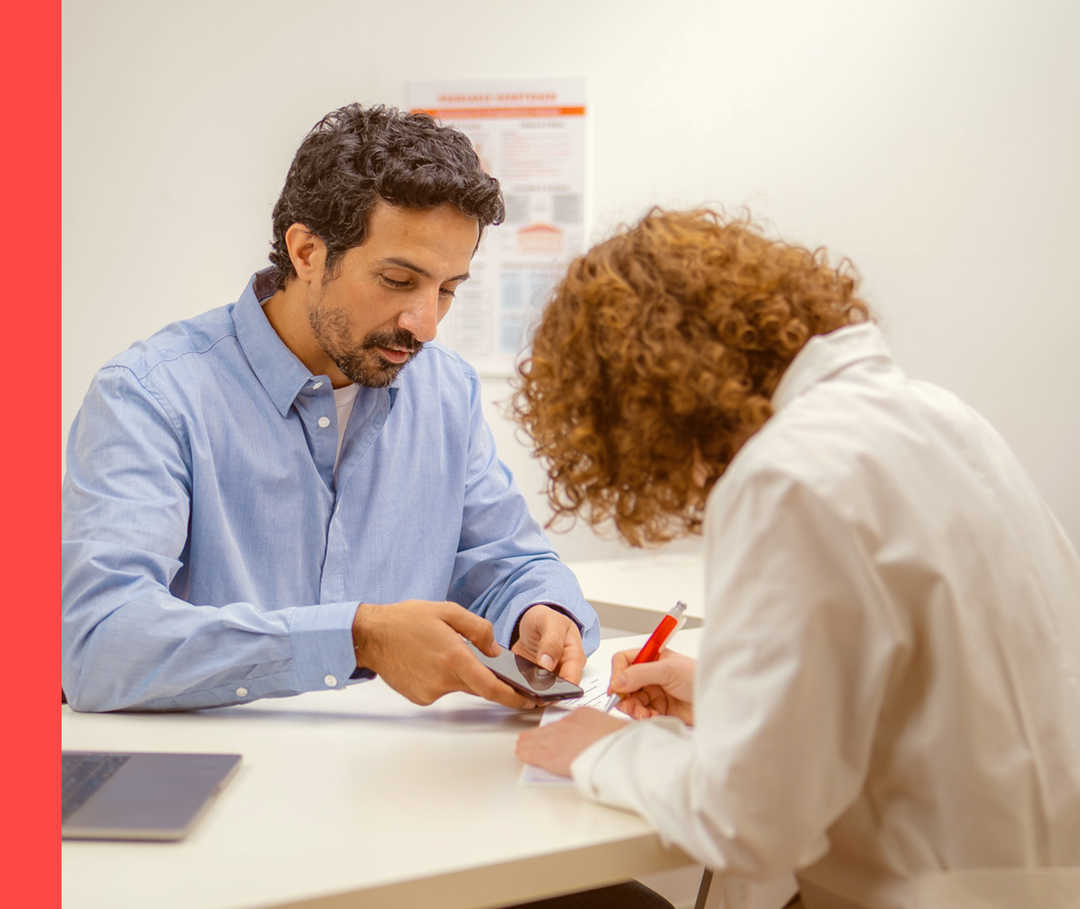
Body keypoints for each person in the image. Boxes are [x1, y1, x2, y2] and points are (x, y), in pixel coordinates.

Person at [512, 209, 1080, 907]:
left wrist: (600, 750)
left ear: (638, 401)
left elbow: (748, 821)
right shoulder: (940, 417)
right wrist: (730, 696)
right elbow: (933, 683)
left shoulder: (786, 474)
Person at [61, 104, 599, 713]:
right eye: (399, 280)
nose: (425, 324)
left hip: (398, 784)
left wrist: (542, 610)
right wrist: (355, 639)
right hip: (226, 785)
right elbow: (97, 644)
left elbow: (505, 562)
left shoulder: (446, 391)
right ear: (307, 251)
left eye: (448, 290)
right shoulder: (152, 397)